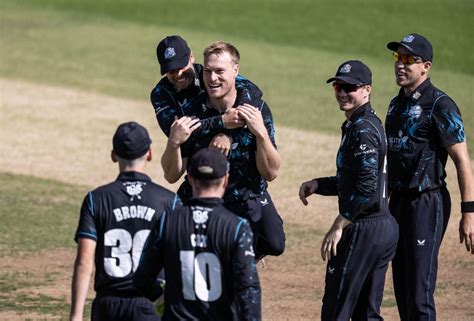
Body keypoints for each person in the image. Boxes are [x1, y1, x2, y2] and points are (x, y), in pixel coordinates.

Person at [160, 41, 285, 260]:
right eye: (208, 71)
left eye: (220, 71)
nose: (212, 78)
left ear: (236, 71)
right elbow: (171, 175)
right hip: (203, 198)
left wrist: (261, 135)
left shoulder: (257, 110)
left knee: (274, 243)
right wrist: (174, 142)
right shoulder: (190, 112)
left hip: (245, 195)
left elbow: (272, 173)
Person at [298, 60, 398, 320]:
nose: (342, 93)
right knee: (367, 313)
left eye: (350, 88)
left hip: (365, 228)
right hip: (381, 226)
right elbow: (357, 179)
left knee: (336, 309)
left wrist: (340, 223)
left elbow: (366, 187)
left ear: (366, 90)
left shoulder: (362, 129)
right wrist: (319, 184)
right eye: (338, 87)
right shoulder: (365, 123)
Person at [385, 33, 474, 321]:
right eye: (398, 57)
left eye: (409, 59)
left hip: (427, 202)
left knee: (420, 292)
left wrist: (469, 213)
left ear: (426, 66)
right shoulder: (395, 105)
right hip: (396, 202)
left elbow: (462, 161)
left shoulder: (441, 106)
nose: (401, 65)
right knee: (401, 286)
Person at [134, 148, 261, 321]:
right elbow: (248, 287)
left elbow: (142, 280)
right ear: (225, 180)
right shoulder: (237, 227)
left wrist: (164, 296)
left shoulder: (167, 220)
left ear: (191, 179)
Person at [70, 122, 180, 321]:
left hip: (108, 305)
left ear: (114, 155)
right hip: (151, 305)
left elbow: (84, 261)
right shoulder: (169, 201)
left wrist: (76, 316)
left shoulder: (96, 199)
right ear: (150, 153)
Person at [151, 35, 261, 138]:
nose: (178, 74)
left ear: (191, 57)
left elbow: (253, 90)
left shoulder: (209, 75)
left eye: (181, 67)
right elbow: (176, 133)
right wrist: (222, 121)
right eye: (171, 71)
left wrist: (230, 128)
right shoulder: (161, 93)